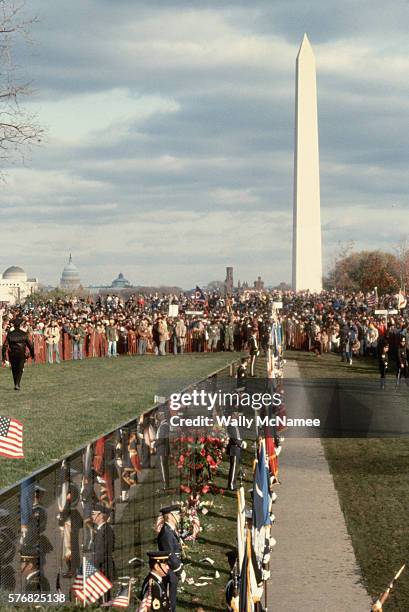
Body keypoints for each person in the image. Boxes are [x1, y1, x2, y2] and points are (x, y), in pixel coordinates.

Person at [157, 505, 183, 612]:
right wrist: (179, 569)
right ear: (170, 516)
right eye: (177, 514)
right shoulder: (166, 533)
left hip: (173, 570)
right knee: (169, 602)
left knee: (172, 600)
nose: (179, 517)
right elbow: (169, 555)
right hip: (169, 572)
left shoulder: (170, 530)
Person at [2, 317, 35, 390]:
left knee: (14, 369)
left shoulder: (10, 334)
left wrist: (4, 357)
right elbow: (30, 345)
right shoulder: (24, 334)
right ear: (20, 325)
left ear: (13, 325)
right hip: (21, 353)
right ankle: (17, 384)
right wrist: (32, 354)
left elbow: (4, 346)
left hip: (12, 354)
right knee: (20, 368)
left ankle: (16, 384)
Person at [91, 504, 115, 587]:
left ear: (101, 516)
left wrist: (94, 568)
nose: (92, 516)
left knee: (104, 596)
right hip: (101, 567)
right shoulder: (101, 529)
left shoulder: (106, 530)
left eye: (93, 514)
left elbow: (102, 552)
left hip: (104, 569)